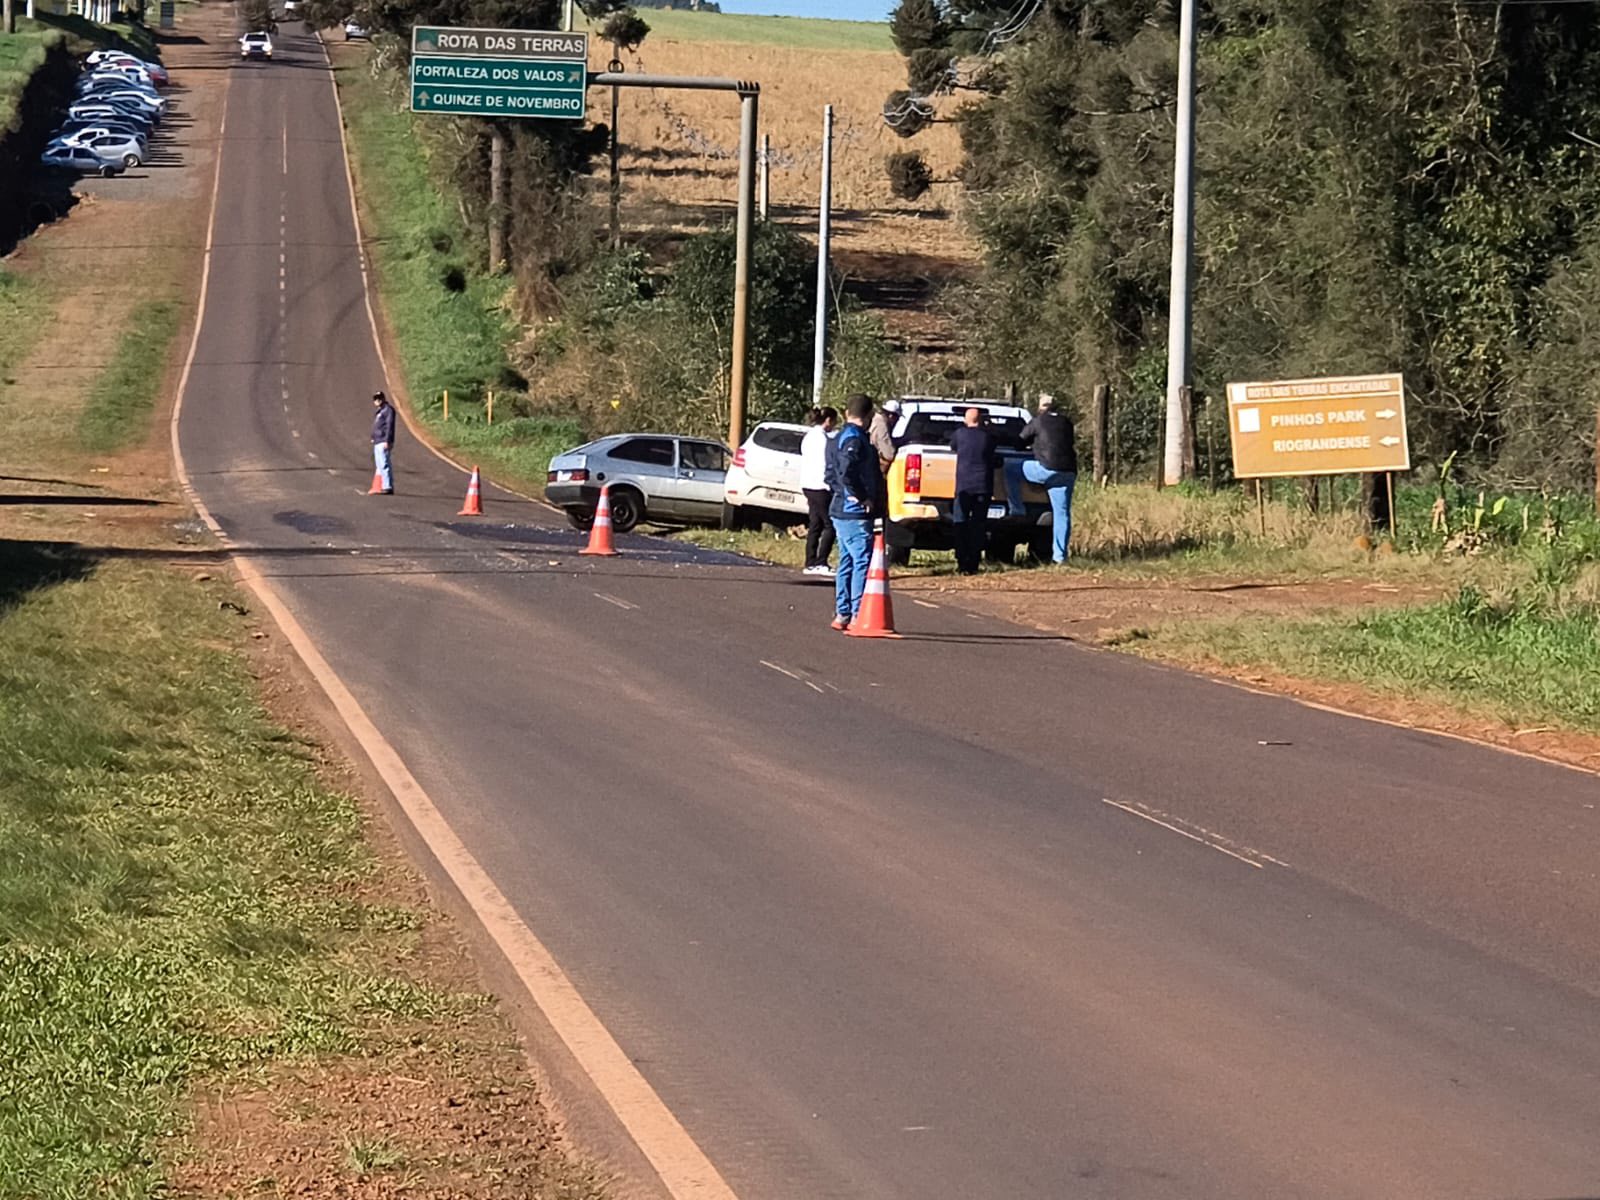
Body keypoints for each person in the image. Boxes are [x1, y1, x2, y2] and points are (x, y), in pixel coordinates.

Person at [825, 393, 883, 630]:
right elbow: (846, 473)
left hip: (840, 508)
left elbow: (830, 475)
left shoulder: (836, 437)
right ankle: (858, 612)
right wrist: (862, 496)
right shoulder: (855, 440)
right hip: (853, 511)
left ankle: (843, 613)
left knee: (847, 560)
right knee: (862, 560)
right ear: (869, 415)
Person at [1005, 393, 1078, 562]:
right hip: (1068, 471)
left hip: (1045, 468)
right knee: (1062, 514)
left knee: (1010, 468)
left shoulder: (1037, 422)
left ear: (1040, 408)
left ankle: (1017, 508)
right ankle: (1060, 557)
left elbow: (1019, 442)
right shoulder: (1067, 423)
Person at [947, 406, 998, 575]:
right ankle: (974, 562)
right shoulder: (987, 437)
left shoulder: (960, 435)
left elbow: (952, 446)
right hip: (983, 487)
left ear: (966, 420)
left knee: (960, 523)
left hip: (963, 487)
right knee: (978, 525)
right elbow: (994, 448)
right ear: (981, 420)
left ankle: (962, 562)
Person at [799, 406, 838, 576]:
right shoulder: (823, 439)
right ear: (828, 420)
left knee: (815, 524)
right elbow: (827, 462)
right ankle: (821, 561)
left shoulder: (808, 436)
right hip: (820, 485)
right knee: (830, 525)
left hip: (807, 484)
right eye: (834, 421)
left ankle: (810, 562)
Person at [370, 390, 396, 495]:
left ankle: (387, 486)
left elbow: (389, 426)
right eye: (376, 399)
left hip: (383, 441)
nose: (377, 400)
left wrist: (387, 440)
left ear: (383, 399)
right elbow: (377, 426)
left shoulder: (388, 410)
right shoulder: (380, 411)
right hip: (377, 440)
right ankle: (383, 485)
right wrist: (373, 437)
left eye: (379, 398)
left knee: (384, 463)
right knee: (380, 464)